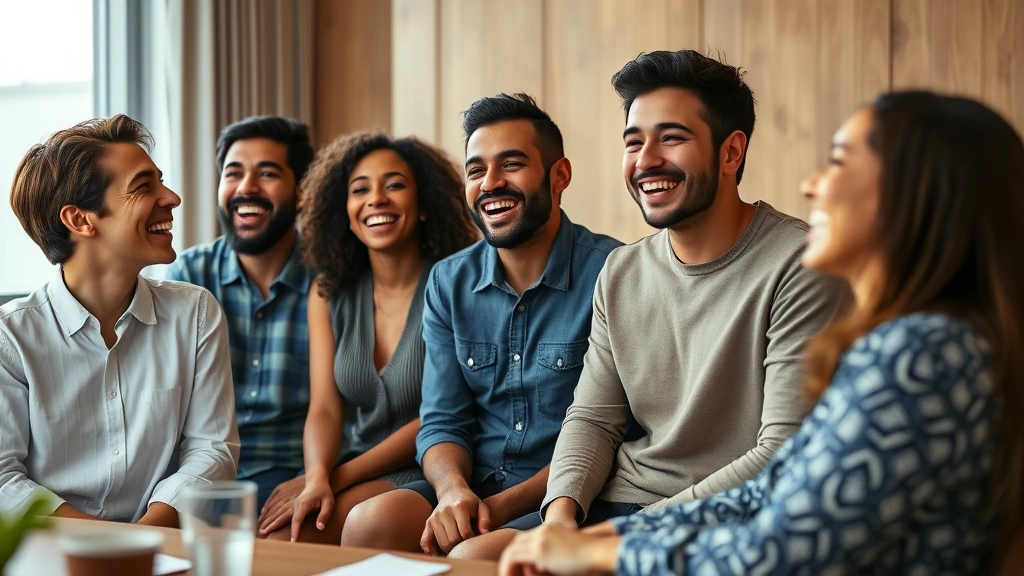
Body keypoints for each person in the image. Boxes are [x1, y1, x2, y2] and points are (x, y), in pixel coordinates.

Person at [499, 90, 1024, 575]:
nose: (811, 184)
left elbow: (778, 552)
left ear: (916, 194)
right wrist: (601, 537)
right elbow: (769, 490)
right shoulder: (916, 342)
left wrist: (603, 553)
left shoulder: (923, 355)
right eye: (634, 141)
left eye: (839, 162)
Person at [524, 49, 848, 554]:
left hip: (725, 520)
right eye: (634, 141)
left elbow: (781, 454)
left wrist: (612, 542)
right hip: (621, 503)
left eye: (671, 138)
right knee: (471, 559)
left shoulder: (802, 263)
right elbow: (593, 418)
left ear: (731, 152)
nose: (645, 160)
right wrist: (561, 517)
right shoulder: (621, 270)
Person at [341, 94, 623, 556]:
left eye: (511, 164)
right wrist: (453, 491)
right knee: (368, 522)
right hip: (472, 486)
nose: (490, 183)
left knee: (469, 556)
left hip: (568, 497)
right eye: (476, 170)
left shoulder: (614, 273)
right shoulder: (448, 281)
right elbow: (442, 420)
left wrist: (498, 507)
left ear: (559, 176)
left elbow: (613, 433)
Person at [0, 115, 239, 526]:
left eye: (161, 181)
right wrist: (111, 546)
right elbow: (4, 480)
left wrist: (142, 541)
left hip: (164, 544)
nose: (172, 197)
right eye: (144, 186)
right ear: (80, 220)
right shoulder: (11, 338)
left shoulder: (196, 313)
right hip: (50, 549)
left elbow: (212, 451)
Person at [255, 133, 479, 543]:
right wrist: (316, 477)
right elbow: (324, 409)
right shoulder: (329, 292)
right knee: (279, 539)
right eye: (360, 189)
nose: (376, 199)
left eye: (394, 185)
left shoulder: (454, 283)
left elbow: (440, 415)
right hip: (356, 465)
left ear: (425, 204)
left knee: (353, 528)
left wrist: (337, 478)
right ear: (344, 211)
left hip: (436, 465)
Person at [164, 116, 315, 509]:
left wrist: (318, 477)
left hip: (293, 478)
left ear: (301, 192)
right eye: (233, 174)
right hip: (195, 478)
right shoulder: (188, 275)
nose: (246, 188)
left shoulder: (331, 280)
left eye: (267, 174)